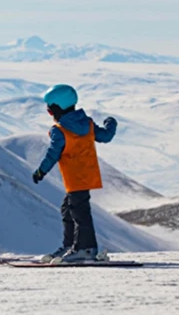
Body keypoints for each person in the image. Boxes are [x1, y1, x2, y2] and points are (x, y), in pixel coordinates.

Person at [32, 84, 117, 263]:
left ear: (56, 108)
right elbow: (106, 137)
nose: (49, 113)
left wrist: (41, 171)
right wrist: (111, 123)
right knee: (68, 209)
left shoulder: (60, 130)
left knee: (79, 212)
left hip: (74, 177)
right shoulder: (88, 124)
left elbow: (53, 153)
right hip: (86, 174)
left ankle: (85, 249)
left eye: (49, 110)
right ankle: (71, 246)